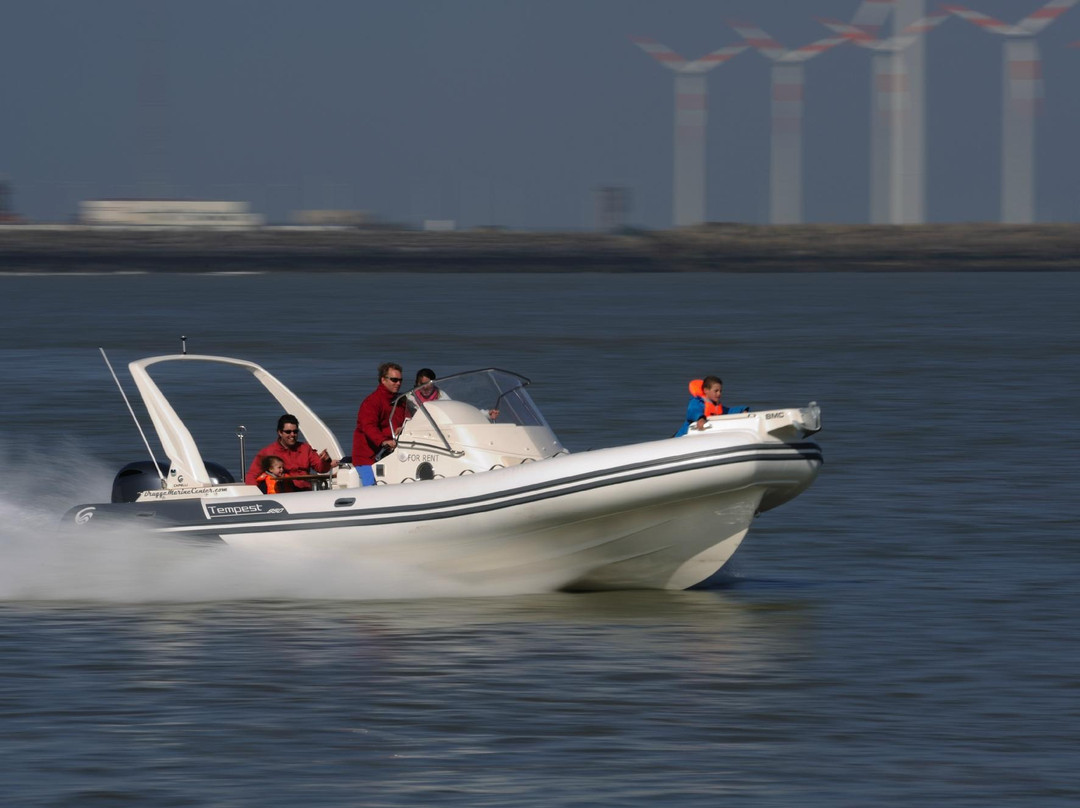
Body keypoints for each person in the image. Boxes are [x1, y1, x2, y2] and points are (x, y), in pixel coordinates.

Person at [245, 414, 335, 491]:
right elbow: (252, 475)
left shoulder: (305, 448)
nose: (292, 435)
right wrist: (254, 495)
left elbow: (321, 469)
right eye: (288, 432)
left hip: (306, 492)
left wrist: (326, 460)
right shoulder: (268, 452)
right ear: (280, 432)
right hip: (283, 494)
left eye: (295, 432)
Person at [352, 362, 408, 465]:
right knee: (369, 480)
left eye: (400, 380)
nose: (398, 383)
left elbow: (408, 418)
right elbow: (368, 426)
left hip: (393, 453)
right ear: (383, 380)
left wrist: (405, 427)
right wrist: (383, 441)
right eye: (394, 380)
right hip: (368, 457)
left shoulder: (401, 401)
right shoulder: (372, 401)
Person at [675, 376, 749, 437]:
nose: (719, 394)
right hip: (683, 436)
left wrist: (742, 410)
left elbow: (728, 411)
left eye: (720, 391)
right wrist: (700, 418)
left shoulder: (716, 406)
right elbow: (693, 411)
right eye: (716, 391)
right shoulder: (697, 402)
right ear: (706, 390)